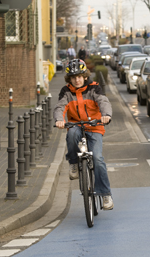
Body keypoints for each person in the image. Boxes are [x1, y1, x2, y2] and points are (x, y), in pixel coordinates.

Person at [54, 59, 114, 210]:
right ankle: (74, 163)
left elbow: (103, 102)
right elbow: (60, 107)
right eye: (73, 77)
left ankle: (105, 194)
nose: (77, 80)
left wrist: (106, 115)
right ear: (69, 79)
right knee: (71, 135)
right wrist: (59, 120)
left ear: (85, 76)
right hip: (75, 125)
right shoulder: (66, 91)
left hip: (95, 126)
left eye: (80, 76)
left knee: (98, 158)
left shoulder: (94, 88)